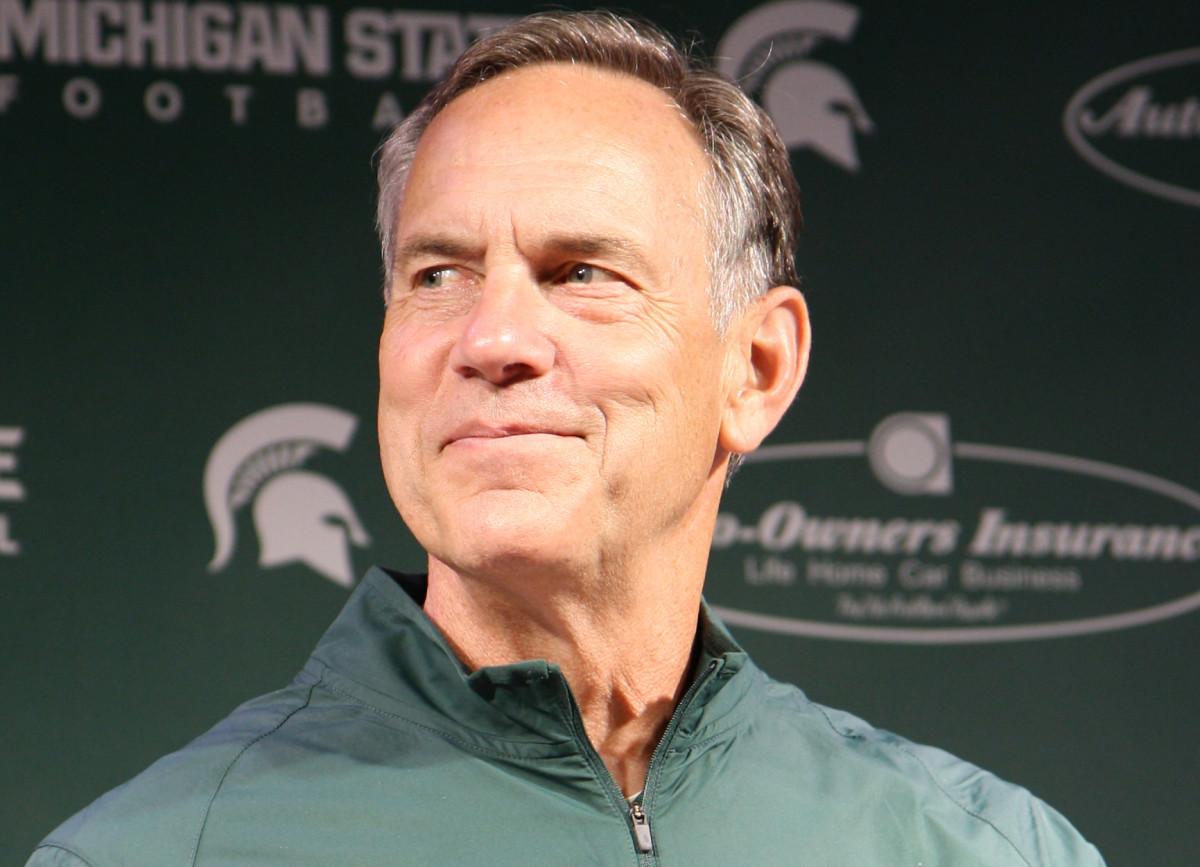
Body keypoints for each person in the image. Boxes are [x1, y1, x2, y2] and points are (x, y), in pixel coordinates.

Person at [29, 10, 1105, 866]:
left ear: (758, 369)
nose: (493, 337)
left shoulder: (982, 849)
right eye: (437, 275)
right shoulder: (160, 852)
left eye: (581, 273)